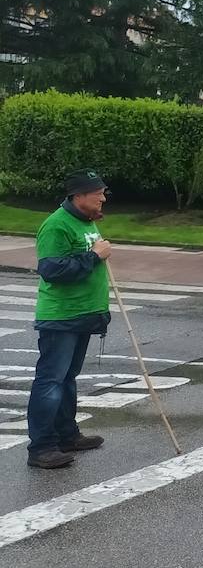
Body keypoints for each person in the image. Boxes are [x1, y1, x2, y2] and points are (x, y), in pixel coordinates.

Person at [26, 170, 113, 469]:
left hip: (82, 315)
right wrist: (93, 256)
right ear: (78, 195)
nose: (103, 197)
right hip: (61, 316)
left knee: (67, 379)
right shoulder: (56, 225)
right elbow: (52, 270)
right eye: (97, 193)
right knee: (51, 381)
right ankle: (41, 447)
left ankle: (66, 434)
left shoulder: (86, 221)